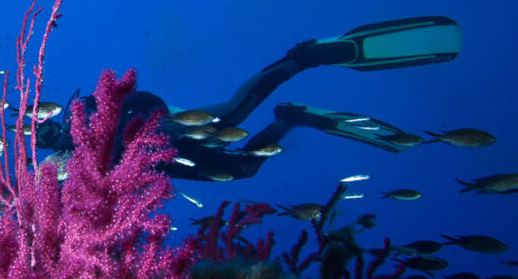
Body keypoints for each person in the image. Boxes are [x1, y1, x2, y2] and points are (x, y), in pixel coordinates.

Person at [34, 16, 463, 182]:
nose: (53, 136)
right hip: (154, 160)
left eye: (49, 127)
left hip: (148, 125)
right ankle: (291, 118)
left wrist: (95, 126)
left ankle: (304, 57)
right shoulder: (64, 166)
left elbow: (126, 100)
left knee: (232, 116)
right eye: (46, 138)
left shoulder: (84, 112)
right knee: (241, 170)